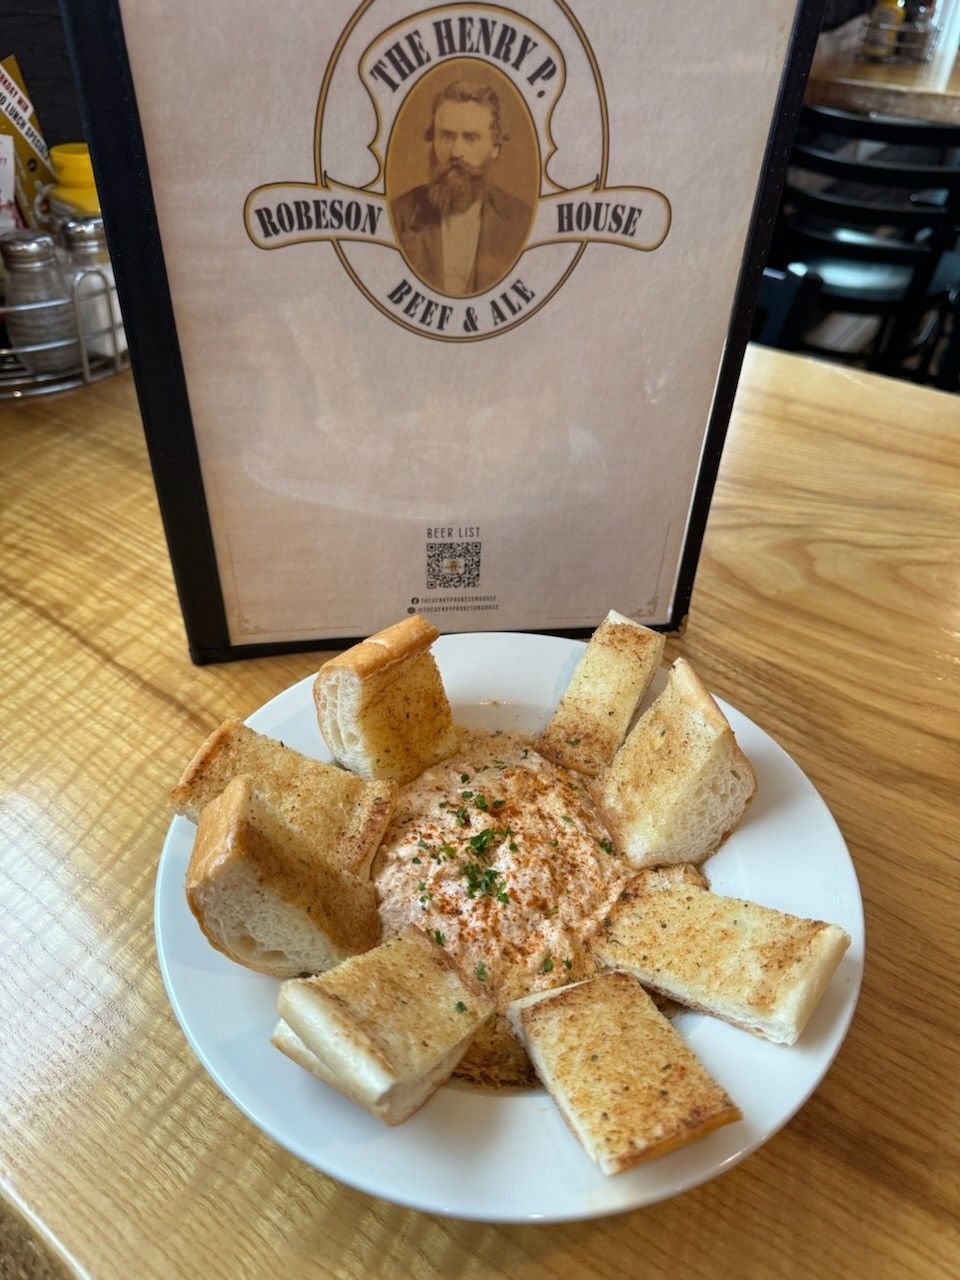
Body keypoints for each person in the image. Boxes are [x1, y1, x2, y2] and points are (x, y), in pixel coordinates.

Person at [390, 81, 532, 297]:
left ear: (495, 147)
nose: (456, 151)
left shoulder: (523, 222)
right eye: (446, 136)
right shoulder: (397, 216)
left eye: (471, 138)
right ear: (432, 140)